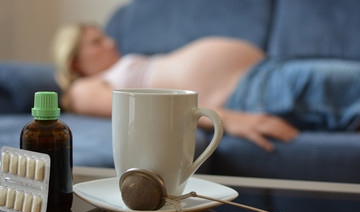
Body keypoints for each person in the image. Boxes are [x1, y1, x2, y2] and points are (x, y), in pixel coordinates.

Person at [51, 23, 299, 151]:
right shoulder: (82, 90)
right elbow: (153, 108)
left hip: (262, 75)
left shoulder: (116, 70)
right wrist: (228, 120)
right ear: (75, 62)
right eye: (97, 42)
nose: (111, 42)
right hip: (248, 91)